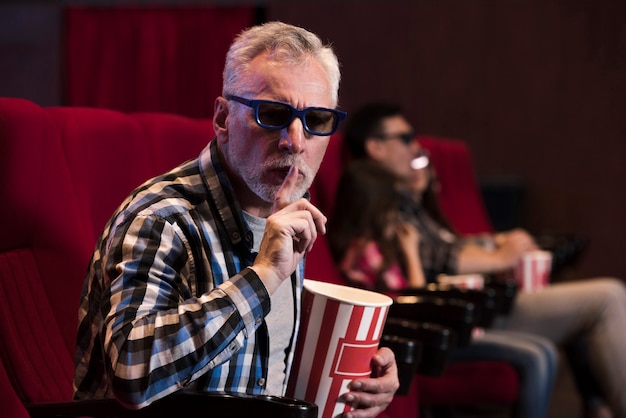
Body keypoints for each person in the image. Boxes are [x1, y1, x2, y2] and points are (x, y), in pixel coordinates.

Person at [73, 22, 399, 418]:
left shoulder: (291, 204)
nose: (295, 140)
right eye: (273, 113)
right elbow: (132, 376)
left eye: (316, 119)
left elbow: (263, 369)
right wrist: (262, 276)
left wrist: (358, 384)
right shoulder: (163, 218)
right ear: (224, 119)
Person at [335, 101, 626, 418]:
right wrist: (500, 256)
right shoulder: (379, 203)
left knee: (584, 309)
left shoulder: (405, 199)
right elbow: (437, 260)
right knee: (608, 297)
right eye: (405, 138)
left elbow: (448, 243)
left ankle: (598, 405)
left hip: (467, 305)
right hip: (450, 317)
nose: (415, 148)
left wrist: (495, 243)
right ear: (375, 146)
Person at [330, 158, 558, 418]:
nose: (398, 216)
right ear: (374, 210)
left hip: (428, 333)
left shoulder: (378, 245)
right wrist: (411, 252)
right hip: (418, 338)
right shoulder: (367, 250)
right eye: (392, 208)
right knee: (534, 356)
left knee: (542, 351)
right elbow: (416, 296)